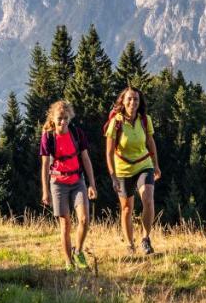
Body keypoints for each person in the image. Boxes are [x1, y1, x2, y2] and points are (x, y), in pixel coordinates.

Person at [39, 100, 98, 271]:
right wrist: (45, 191)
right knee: (65, 224)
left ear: (70, 118)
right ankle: (68, 262)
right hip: (58, 183)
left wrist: (91, 184)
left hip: (77, 181)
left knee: (85, 219)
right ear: (53, 118)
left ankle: (78, 251)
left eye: (66, 118)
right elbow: (44, 165)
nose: (63, 122)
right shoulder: (48, 137)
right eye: (59, 118)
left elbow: (86, 159)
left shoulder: (77, 134)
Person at [104, 86, 162, 255]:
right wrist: (113, 176)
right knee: (127, 209)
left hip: (144, 164)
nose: (133, 102)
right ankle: (130, 244)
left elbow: (151, 143)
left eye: (136, 99)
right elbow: (108, 152)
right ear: (123, 101)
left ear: (139, 102)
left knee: (148, 200)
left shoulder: (145, 120)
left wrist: (156, 165)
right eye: (129, 99)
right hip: (123, 169)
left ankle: (145, 239)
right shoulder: (116, 122)